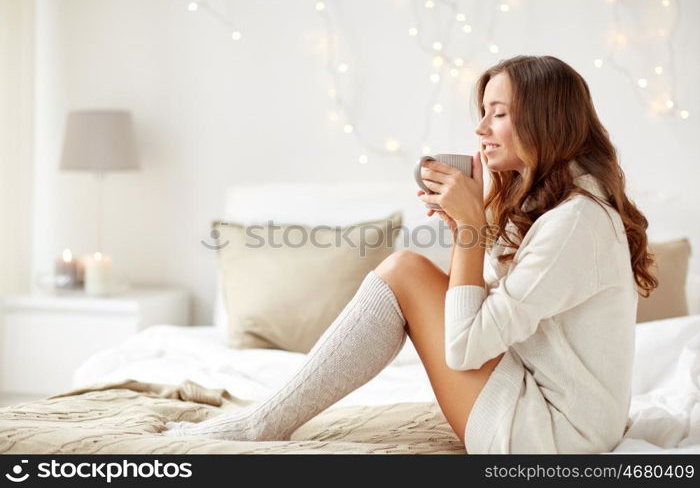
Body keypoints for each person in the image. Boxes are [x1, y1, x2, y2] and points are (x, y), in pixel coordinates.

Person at [162, 55, 658, 454]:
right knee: (409, 271)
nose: (482, 128)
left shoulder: (574, 221)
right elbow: (500, 315)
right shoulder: (565, 208)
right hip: (568, 416)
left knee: (403, 270)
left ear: (546, 120)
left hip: (551, 438)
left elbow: (465, 346)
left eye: (499, 113)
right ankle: (264, 419)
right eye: (482, 112)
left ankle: (260, 425)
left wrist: (470, 229)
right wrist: (476, 223)